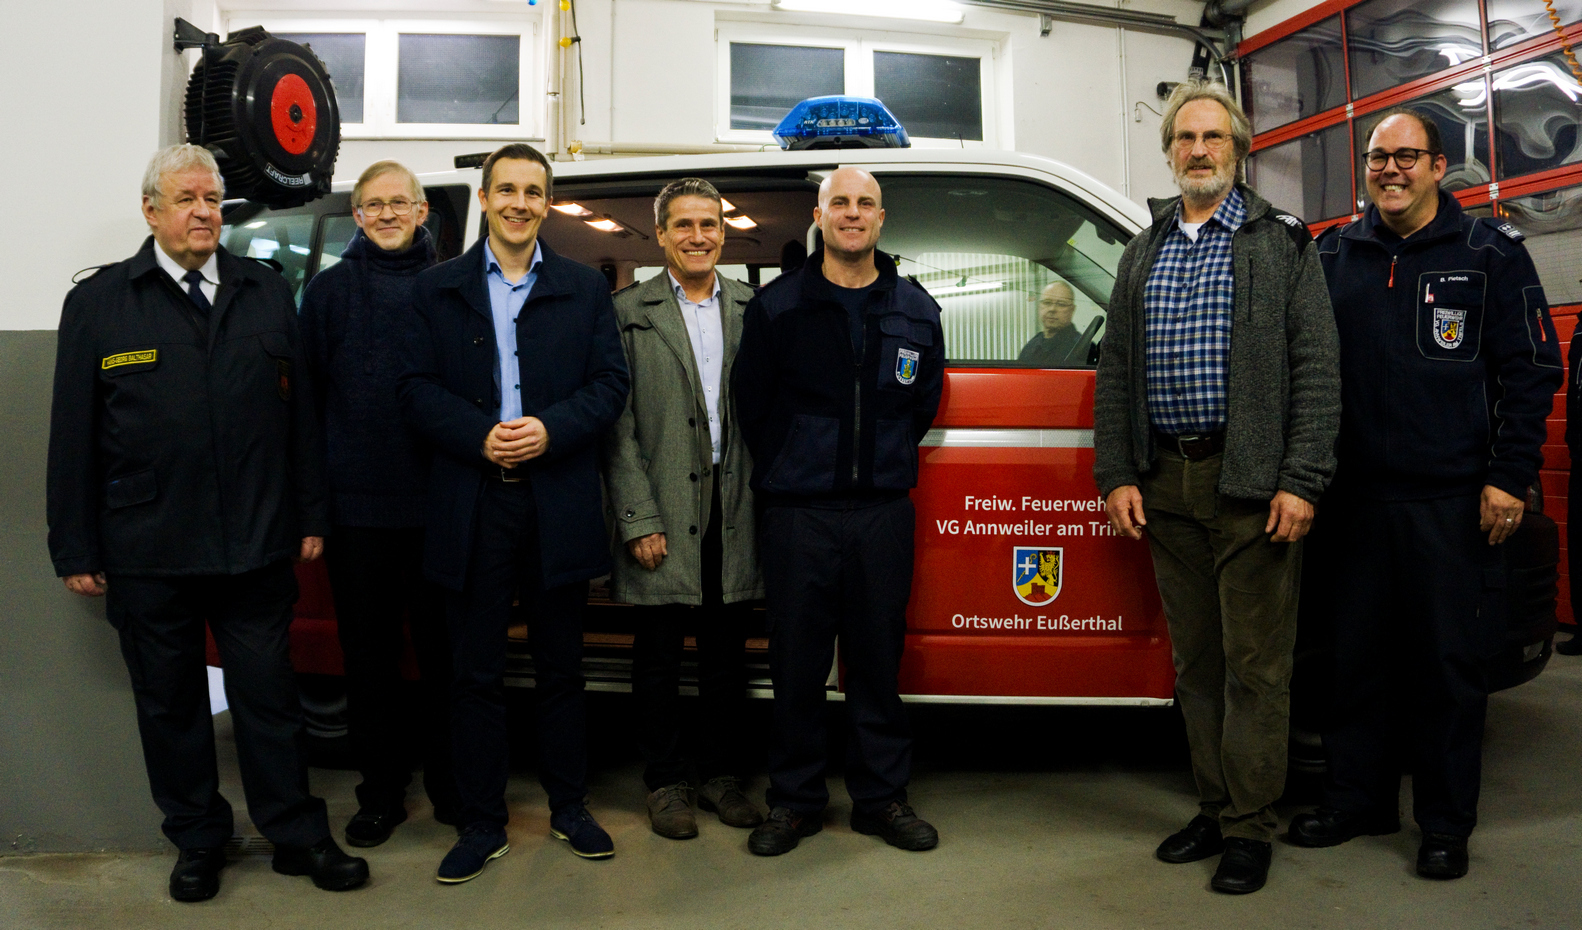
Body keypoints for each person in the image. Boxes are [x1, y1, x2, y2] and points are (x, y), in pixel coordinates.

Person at [46, 144, 368, 901]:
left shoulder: (265, 289)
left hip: (254, 541)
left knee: (270, 700)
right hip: (146, 547)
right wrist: (74, 545)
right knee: (172, 707)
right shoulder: (99, 304)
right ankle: (197, 840)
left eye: (213, 200)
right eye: (187, 199)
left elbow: (300, 415)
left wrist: (311, 511)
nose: (203, 213)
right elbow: (72, 436)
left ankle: (296, 834)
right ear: (151, 210)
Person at [1294, 108, 1562, 879]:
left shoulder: (1490, 254)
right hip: (1352, 502)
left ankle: (1445, 824)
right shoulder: (1332, 255)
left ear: (1440, 167)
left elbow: (1531, 370)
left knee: (1446, 670)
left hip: (1449, 503)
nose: (1391, 170)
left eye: (1407, 156)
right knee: (1354, 664)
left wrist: (1508, 475)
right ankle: (1358, 801)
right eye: (1378, 157)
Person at [1092, 80, 1340, 894]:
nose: (1198, 151)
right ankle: (1213, 805)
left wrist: (1301, 480)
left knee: (1255, 669)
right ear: (1169, 151)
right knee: (1196, 665)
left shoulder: (1281, 242)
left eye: (1214, 138)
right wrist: (1117, 472)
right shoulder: (1145, 248)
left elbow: (1317, 369)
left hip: (1252, 486)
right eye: (1185, 138)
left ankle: (1250, 825)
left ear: (1238, 149)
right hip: (1165, 482)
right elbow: (1117, 370)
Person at [398, 143, 629, 883]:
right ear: (486, 198)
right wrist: (480, 436)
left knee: (563, 666)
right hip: (473, 501)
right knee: (474, 672)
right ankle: (481, 822)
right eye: (507, 190)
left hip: (556, 499)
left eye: (533, 191)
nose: (519, 203)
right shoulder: (436, 289)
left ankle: (570, 808)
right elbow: (413, 388)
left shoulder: (584, 289)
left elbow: (610, 384)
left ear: (547, 203)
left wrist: (551, 429)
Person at [733, 166, 945, 857]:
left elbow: (921, 405)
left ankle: (880, 800)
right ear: (820, 217)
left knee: (878, 662)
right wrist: (801, 463)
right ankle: (794, 802)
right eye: (840, 203)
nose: (853, 214)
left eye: (866, 204)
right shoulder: (778, 307)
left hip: (882, 512)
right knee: (796, 667)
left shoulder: (916, 310)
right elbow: (753, 405)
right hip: (800, 516)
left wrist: (876, 460)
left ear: (881, 219)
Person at [298, 160, 458, 848]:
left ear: (423, 212)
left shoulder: (453, 288)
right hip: (357, 515)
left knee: (447, 659)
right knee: (367, 664)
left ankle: (452, 788)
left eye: (400, 202)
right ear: (357, 216)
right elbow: (305, 407)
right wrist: (313, 509)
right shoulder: (327, 294)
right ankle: (380, 795)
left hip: (441, 510)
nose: (388, 214)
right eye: (373, 205)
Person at [602, 178, 764, 839]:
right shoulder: (627, 312)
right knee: (659, 657)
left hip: (735, 504)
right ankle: (666, 782)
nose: (698, 236)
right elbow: (616, 427)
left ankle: (721, 776)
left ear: (723, 234)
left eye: (709, 224)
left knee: (727, 656)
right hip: (663, 503)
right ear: (662, 234)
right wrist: (638, 517)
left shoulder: (755, 308)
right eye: (684, 225)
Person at [1017, 281, 1082, 366]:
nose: (1052, 309)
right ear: (1039, 305)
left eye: (1061, 304)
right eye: (1047, 302)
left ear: (1072, 310)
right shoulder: (1031, 346)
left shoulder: (1082, 348)